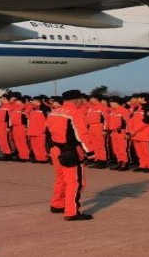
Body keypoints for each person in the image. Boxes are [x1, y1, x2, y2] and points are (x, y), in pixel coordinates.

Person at [46, 89, 95, 221]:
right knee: (76, 182)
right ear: (76, 100)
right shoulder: (75, 113)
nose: (82, 102)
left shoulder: (54, 112)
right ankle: (71, 211)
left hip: (55, 149)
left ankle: (57, 204)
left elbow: (48, 132)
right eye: (81, 99)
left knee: (60, 178)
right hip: (70, 151)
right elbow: (81, 135)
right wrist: (90, 152)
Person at [129, 93, 149, 172]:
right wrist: (130, 130)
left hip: (144, 133)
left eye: (139, 98)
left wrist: (135, 130)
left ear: (143, 98)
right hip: (135, 133)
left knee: (146, 151)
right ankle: (143, 165)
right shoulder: (137, 108)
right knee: (139, 151)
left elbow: (147, 121)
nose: (138, 99)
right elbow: (131, 119)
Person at [86, 95, 110, 169]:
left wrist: (105, 129)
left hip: (99, 127)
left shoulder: (102, 107)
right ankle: (97, 160)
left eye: (91, 98)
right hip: (91, 127)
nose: (90, 100)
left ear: (96, 99)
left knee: (100, 145)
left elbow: (106, 119)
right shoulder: (91, 108)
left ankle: (102, 161)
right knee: (94, 145)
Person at [107, 97, 131, 171]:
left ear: (116, 103)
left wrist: (127, 132)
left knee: (122, 148)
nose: (110, 104)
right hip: (113, 132)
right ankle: (119, 162)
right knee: (116, 149)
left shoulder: (124, 110)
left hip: (121, 132)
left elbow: (128, 123)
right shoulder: (112, 111)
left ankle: (125, 163)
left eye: (112, 103)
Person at [27, 95, 51, 163]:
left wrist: (44, 129)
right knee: (35, 146)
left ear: (39, 102)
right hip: (32, 131)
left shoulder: (44, 110)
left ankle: (43, 158)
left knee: (41, 146)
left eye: (34, 100)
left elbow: (48, 120)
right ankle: (38, 158)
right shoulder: (32, 110)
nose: (32, 102)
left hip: (40, 131)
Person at [0, 94, 13, 161]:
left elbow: (10, 118)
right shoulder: (1, 107)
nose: (0, 100)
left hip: (4, 126)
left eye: (1, 98)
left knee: (5, 140)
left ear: (5, 99)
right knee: (1, 141)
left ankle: (8, 154)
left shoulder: (9, 107)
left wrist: (9, 126)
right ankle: (5, 153)